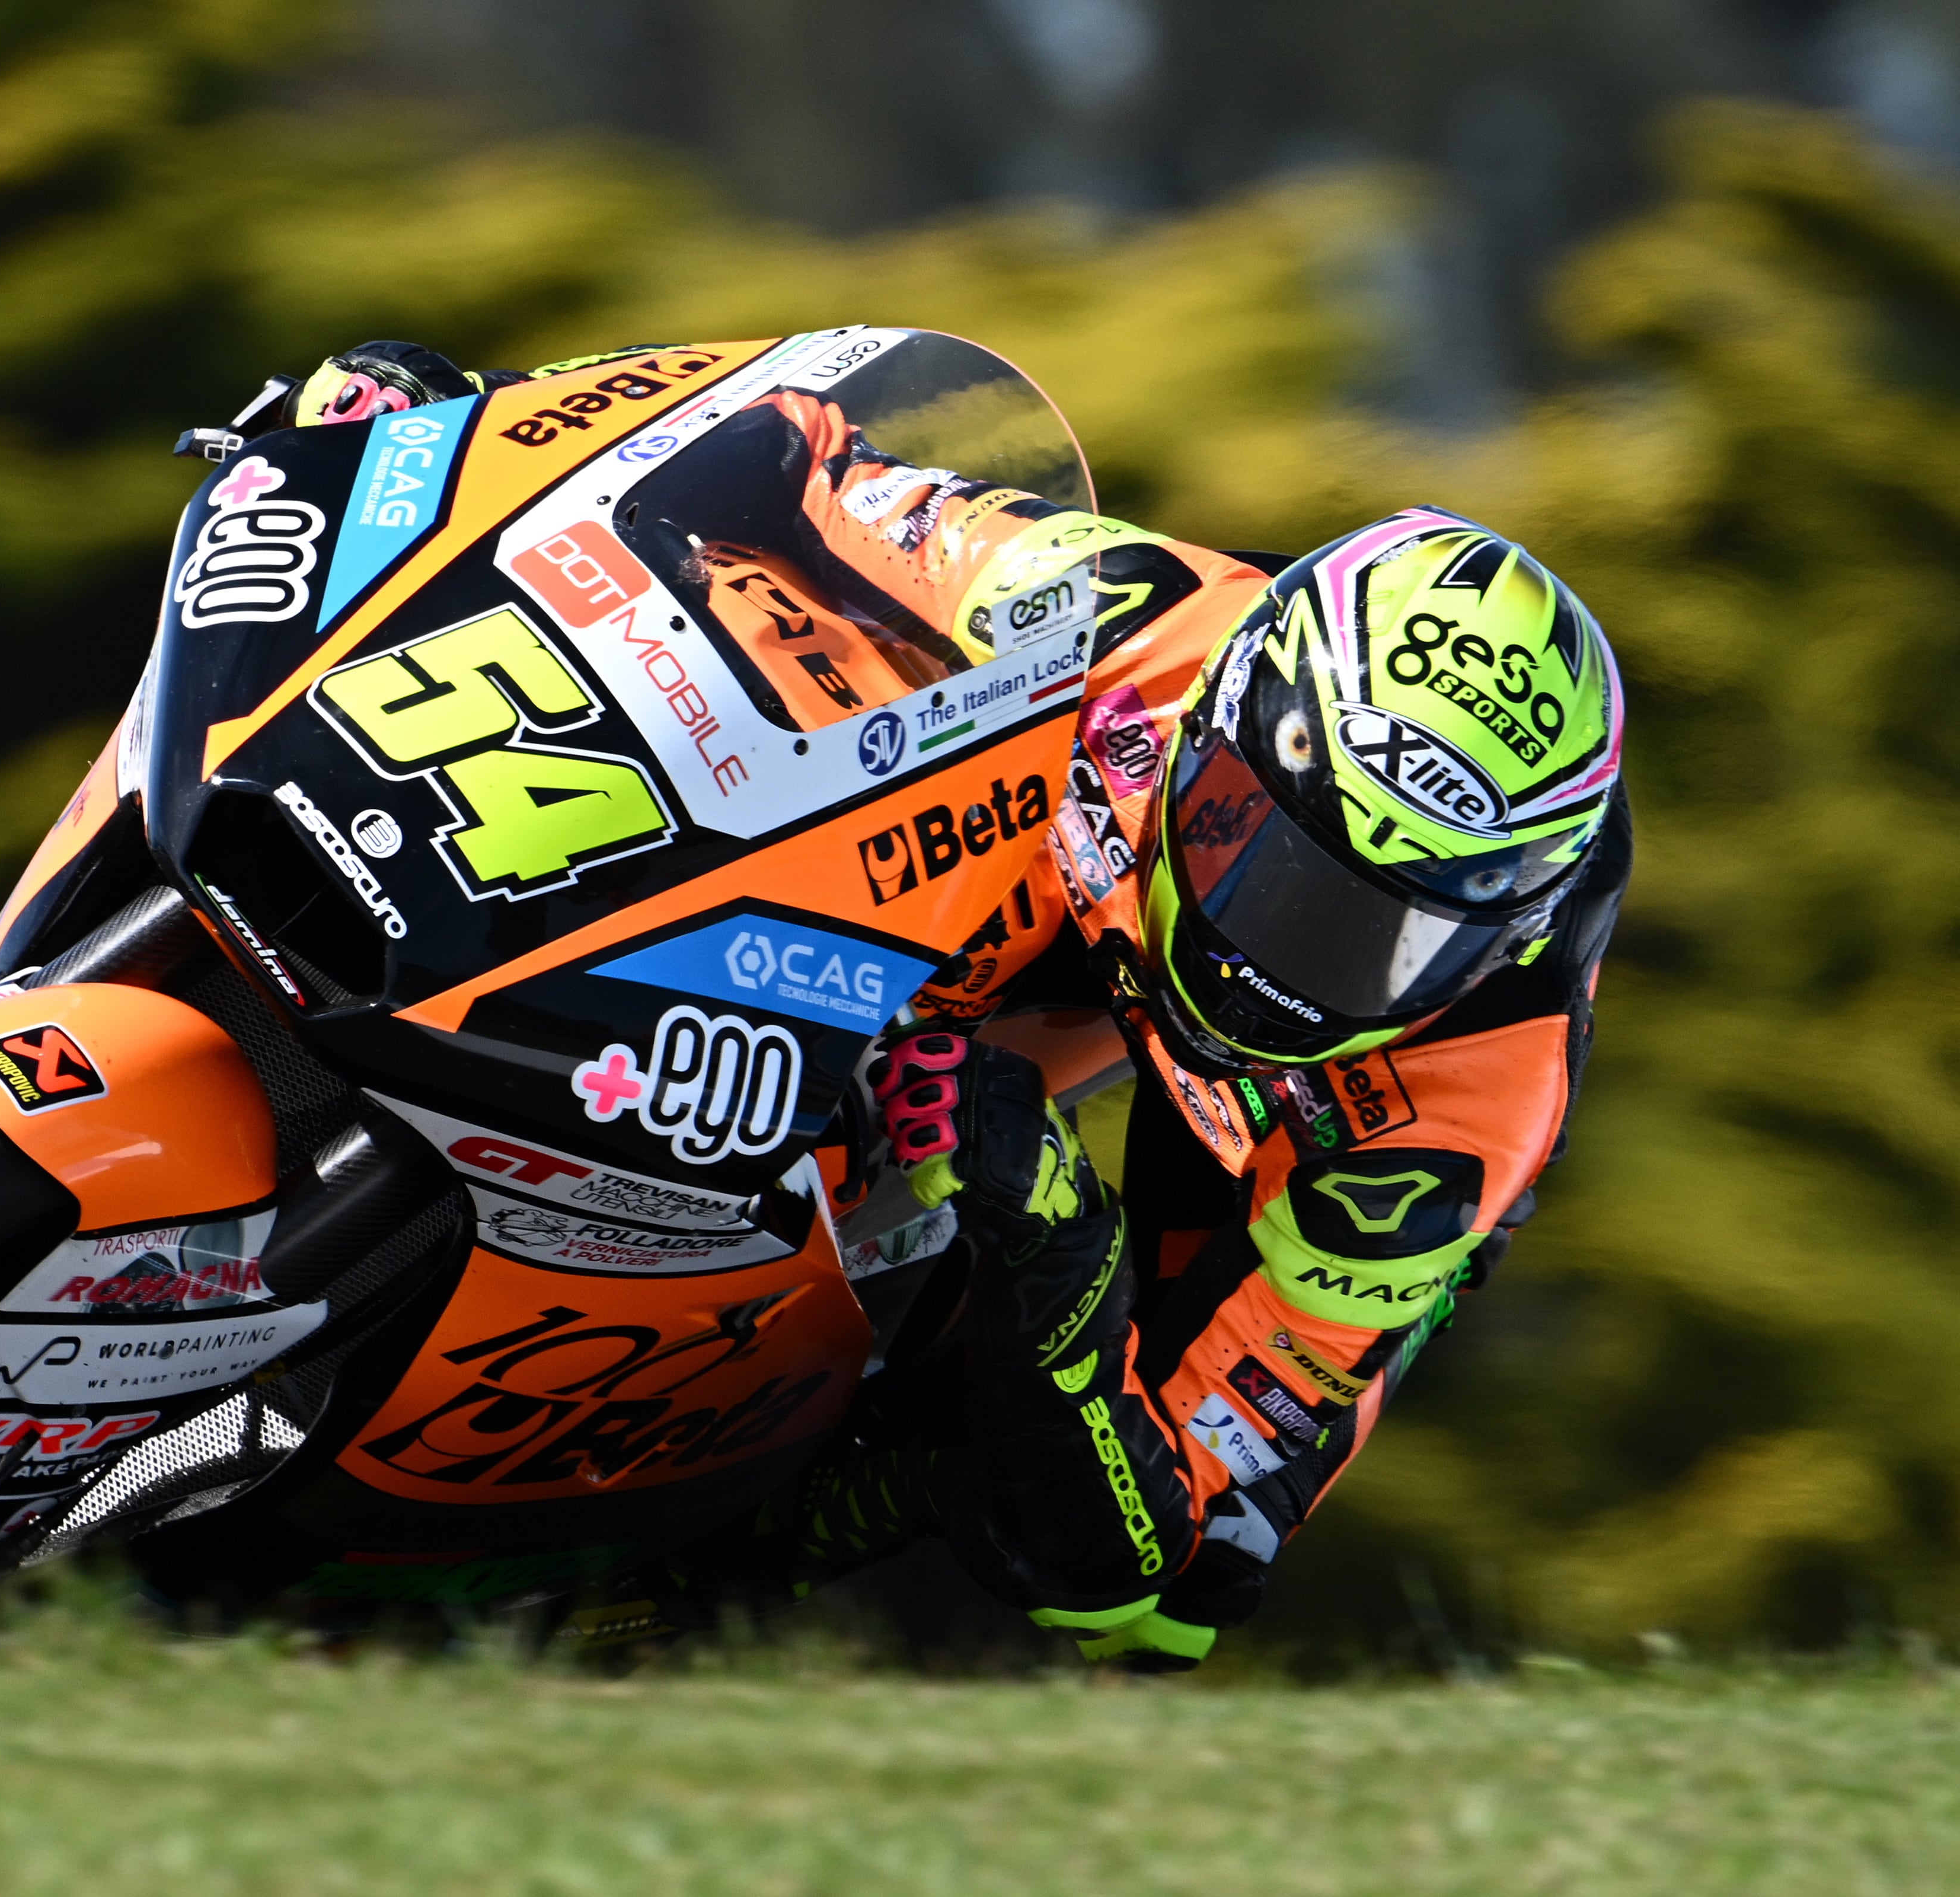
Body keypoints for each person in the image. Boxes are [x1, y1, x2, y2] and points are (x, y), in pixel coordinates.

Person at [274, 340, 1630, 1669]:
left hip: (1257, 1142)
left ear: (1494, 935)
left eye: (1379, 938)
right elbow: (789, 449)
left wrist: (1054, 1260)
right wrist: (454, 434)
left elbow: (1142, 1585)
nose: (1285, 951)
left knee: (1165, 1562)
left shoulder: (1460, 1112)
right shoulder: (1122, 606)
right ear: (1221, 721)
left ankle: (651, 1582)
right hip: (1017, 904)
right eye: (1262, 855)